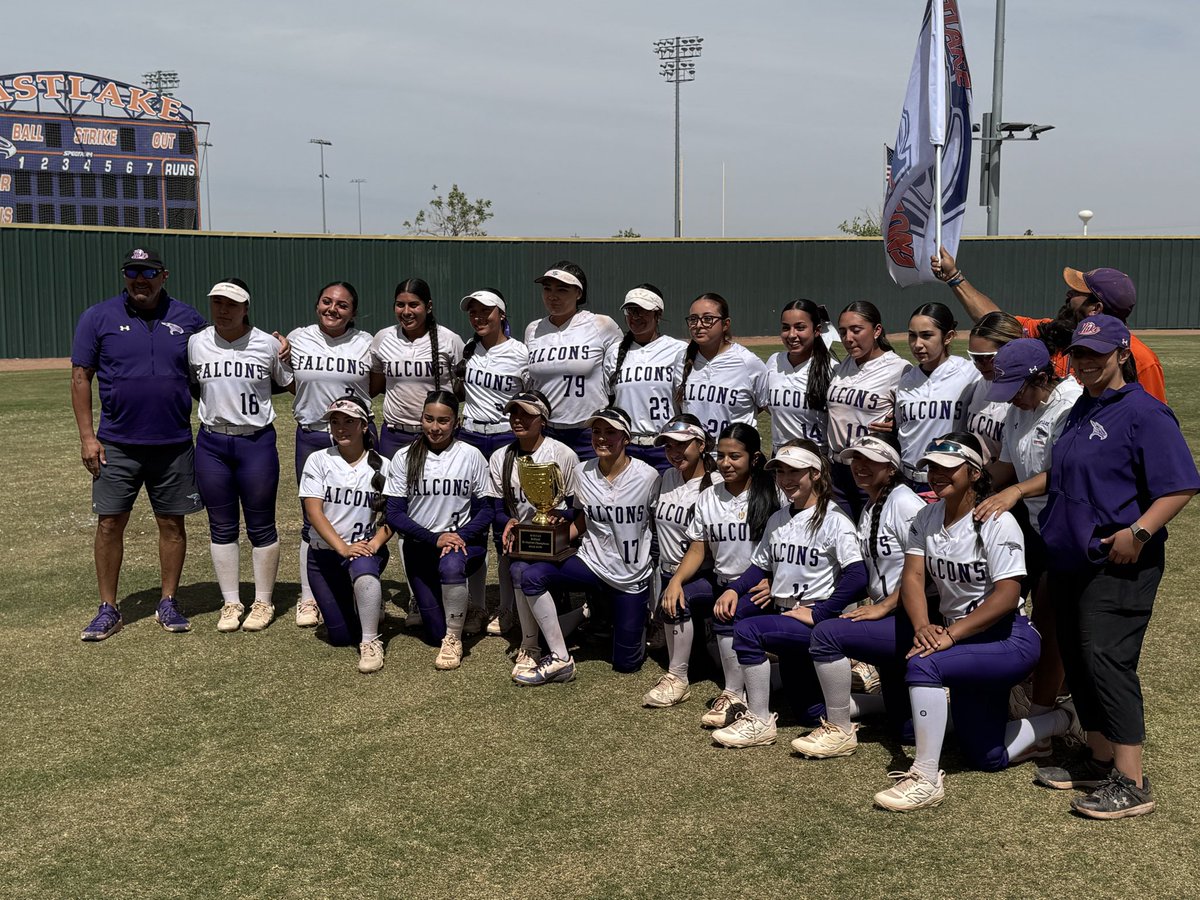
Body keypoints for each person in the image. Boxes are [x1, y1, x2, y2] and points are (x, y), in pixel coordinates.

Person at [1029, 316, 1198, 819]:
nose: (1085, 362)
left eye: (1096, 354)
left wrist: (1139, 533)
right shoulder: (1083, 405)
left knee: (1107, 658)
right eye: (1079, 353)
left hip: (1119, 561)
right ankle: (1099, 758)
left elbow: (1180, 485)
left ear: (1122, 354)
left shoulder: (1146, 412)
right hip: (1071, 556)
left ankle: (1132, 780)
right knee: (1079, 658)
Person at [871, 433, 1077, 813]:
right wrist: (922, 626)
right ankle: (1058, 721)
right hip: (962, 638)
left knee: (923, 663)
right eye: (932, 467)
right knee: (986, 756)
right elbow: (913, 578)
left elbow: (1005, 596)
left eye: (948, 468)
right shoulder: (926, 515)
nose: (936, 475)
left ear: (974, 472)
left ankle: (926, 776)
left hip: (1006, 639)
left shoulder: (996, 521)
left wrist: (949, 635)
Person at [74, 247, 208, 640]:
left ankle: (168, 601)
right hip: (117, 443)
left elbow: (210, 370)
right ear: (125, 276)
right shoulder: (98, 317)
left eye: (148, 272)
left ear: (164, 275)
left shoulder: (189, 320)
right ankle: (108, 608)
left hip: (174, 442)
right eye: (133, 272)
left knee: (171, 523)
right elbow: (81, 377)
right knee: (110, 523)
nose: (140, 279)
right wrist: (87, 437)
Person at [708, 442, 867, 749]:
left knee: (748, 630)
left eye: (795, 471)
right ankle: (881, 703)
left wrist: (821, 612)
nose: (785, 479)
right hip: (787, 617)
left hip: (816, 624)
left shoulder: (835, 519)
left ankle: (759, 720)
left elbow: (858, 576)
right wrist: (732, 588)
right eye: (781, 471)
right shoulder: (779, 518)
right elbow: (759, 567)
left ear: (816, 474)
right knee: (810, 713)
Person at [973, 339, 1081, 756]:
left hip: (1067, 525)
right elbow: (1009, 464)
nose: (1014, 399)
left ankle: (1043, 719)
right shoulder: (1019, 406)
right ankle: (1039, 691)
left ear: (1042, 377)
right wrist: (973, 485)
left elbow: (1066, 471)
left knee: (1052, 619)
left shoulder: (1070, 407)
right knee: (1022, 608)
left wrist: (1015, 491)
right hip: (1036, 525)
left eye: (1019, 389)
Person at [796, 434, 926, 759]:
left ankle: (839, 729)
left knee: (826, 634)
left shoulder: (904, 502)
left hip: (911, 618)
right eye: (856, 459)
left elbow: (929, 572)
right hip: (891, 617)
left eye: (870, 460)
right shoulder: (871, 505)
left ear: (892, 467)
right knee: (906, 730)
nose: (860, 467)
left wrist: (883, 606)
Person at [515, 406, 659, 684]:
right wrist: (547, 542)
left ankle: (608, 614)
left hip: (631, 576)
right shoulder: (582, 472)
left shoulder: (649, 476)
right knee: (532, 576)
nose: (601, 438)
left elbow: (657, 525)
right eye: (596, 432)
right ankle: (560, 657)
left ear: (626, 438)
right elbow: (581, 518)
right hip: (591, 563)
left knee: (627, 664)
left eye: (610, 432)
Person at [189, 278, 293, 633]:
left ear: (246, 307)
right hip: (212, 443)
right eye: (218, 303)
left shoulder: (266, 344)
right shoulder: (196, 343)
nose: (224, 310)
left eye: (232, 304)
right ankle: (231, 602)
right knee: (221, 526)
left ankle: (263, 601)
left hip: (255, 443)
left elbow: (283, 381)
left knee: (262, 525)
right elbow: (194, 386)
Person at [930, 248, 1166, 402]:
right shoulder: (1054, 333)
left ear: (1096, 309)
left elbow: (1153, 425)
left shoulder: (1141, 359)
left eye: (1077, 292)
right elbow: (996, 322)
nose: (1068, 294)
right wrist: (954, 278)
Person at [661, 422, 779, 727]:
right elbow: (699, 549)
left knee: (726, 613)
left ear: (754, 458)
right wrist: (675, 580)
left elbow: (785, 546)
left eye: (735, 456)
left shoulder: (772, 493)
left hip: (758, 586)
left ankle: (733, 693)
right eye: (721, 455)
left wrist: (773, 580)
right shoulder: (709, 495)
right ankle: (677, 677)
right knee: (680, 597)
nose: (726, 463)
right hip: (722, 581)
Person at [285, 280, 374, 629]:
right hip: (313, 436)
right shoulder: (298, 338)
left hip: (355, 438)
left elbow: (376, 384)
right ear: (317, 303)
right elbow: (293, 381)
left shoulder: (367, 343)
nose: (332, 309)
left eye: (342, 305)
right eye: (326, 302)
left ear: (353, 311)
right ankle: (308, 597)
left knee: (361, 513)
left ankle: (360, 587)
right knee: (313, 519)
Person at [384, 390, 494, 669]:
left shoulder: (471, 455)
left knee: (451, 565)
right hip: (422, 547)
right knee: (433, 633)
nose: (435, 427)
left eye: (443, 421)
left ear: (456, 422)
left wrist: (460, 536)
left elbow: (487, 510)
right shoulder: (404, 456)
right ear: (420, 419)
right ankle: (452, 607)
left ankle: (454, 639)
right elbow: (394, 513)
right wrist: (434, 538)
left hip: (462, 544)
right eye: (429, 419)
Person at [490, 390, 583, 674]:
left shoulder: (563, 454)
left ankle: (575, 615)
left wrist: (559, 522)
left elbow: (577, 508)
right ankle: (530, 645)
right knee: (519, 570)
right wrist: (506, 520)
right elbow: (496, 506)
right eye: (514, 413)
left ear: (543, 419)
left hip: (555, 542)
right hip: (520, 542)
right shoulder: (501, 456)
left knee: (527, 573)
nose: (518, 420)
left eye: (526, 414)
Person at [298, 397, 392, 673]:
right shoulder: (318, 460)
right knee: (339, 637)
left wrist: (374, 544)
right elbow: (314, 512)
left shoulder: (383, 465)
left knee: (363, 570)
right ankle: (365, 603)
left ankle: (371, 641)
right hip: (325, 555)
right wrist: (342, 547)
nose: (341, 428)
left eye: (349, 421)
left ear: (364, 425)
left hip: (362, 551)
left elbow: (393, 516)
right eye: (335, 422)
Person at [641, 415, 719, 707]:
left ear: (700, 445)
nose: (674, 452)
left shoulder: (716, 485)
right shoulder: (667, 477)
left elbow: (708, 547)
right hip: (670, 570)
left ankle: (677, 679)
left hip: (704, 574)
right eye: (668, 446)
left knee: (678, 599)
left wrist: (677, 581)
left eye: (682, 445)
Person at [525, 262, 623, 460]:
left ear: (578, 293)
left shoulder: (601, 324)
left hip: (590, 431)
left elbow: (621, 369)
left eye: (562, 289)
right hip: (547, 430)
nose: (552, 296)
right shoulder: (533, 329)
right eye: (547, 289)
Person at [826, 301, 911, 519]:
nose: (848, 338)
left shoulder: (898, 368)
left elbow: (912, 415)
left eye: (856, 330)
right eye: (843, 331)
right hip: (838, 470)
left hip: (872, 469)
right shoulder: (843, 365)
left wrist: (897, 424)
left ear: (877, 331)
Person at [371, 277, 465, 458]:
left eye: (414, 305)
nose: (406, 311)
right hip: (395, 435)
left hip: (436, 435)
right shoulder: (383, 338)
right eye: (400, 305)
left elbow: (463, 386)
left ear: (428, 306)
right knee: (393, 487)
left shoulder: (449, 339)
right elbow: (376, 385)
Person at [604, 284, 687, 472]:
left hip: (666, 445)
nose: (635, 317)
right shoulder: (614, 353)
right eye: (631, 311)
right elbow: (609, 398)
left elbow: (685, 402)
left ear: (658, 314)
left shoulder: (677, 350)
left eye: (643, 311)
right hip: (627, 447)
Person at [895, 303, 979, 488]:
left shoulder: (970, 374)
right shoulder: (906, 380)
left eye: (927, 335)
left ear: (948, 336)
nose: (917, 344)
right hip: (907, 479)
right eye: (912, 335)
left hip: (949, 481)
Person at [676, 293, 769, 439]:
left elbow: (767, 405)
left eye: (708, 319)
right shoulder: (682, 359)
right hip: (696, 453)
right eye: (693, 319)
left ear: (725, 324)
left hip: (732, 455)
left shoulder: (747, 362)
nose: (699, 325)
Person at [455, 288, 529, 461]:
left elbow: (530, 395)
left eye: (486, 310)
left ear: (502, 314)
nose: (478, 317)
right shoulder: (469, 348)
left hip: (506, 435)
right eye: (473, 312)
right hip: (469, 434)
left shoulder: (520, 353)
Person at [764, 299, 837, 452]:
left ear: (816, 330)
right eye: (785, 328)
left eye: (800, 327)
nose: (791, 335)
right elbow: (764, 403)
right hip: (781, 457)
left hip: (817, 458)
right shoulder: (774, 361)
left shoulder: (833, 368)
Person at [964, 312, 1023, 464]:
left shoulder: (1025, 395)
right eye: (975, 357)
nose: (979, 364)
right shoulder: (979, 382)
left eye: (987, 357)